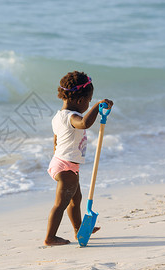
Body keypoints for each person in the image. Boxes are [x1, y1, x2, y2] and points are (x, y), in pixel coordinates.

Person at [44, 71, 113, 246]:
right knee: (61, 203)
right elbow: (84, 124)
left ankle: (78, 229)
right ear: (81, 100)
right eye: (89, 101)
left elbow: (56, 141)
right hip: (66, 166)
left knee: (76, 199)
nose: (89, 104)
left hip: (62, 163)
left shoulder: (58, 117)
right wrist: (97, 107)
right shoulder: (72, 118)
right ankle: (50, 237)